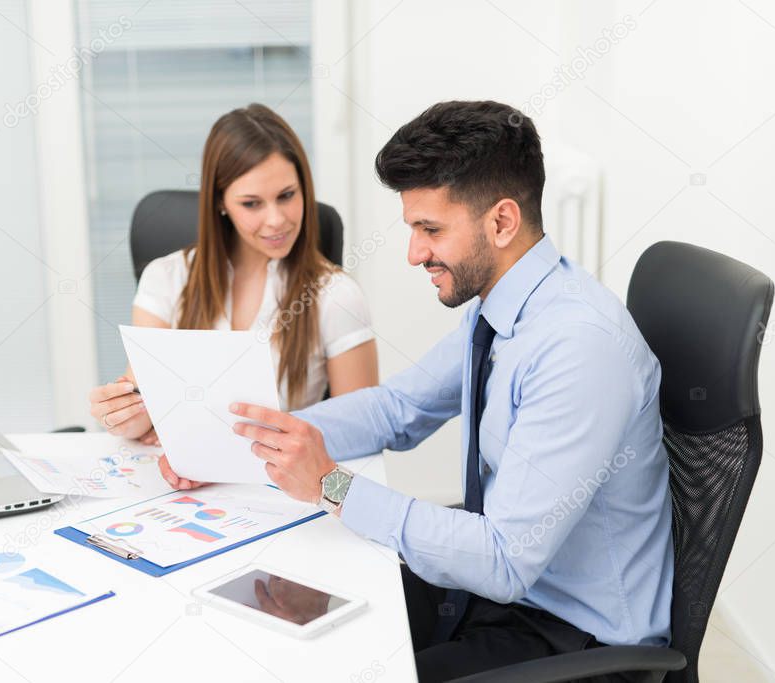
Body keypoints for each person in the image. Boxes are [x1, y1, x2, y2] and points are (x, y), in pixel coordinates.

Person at [210, 101, 674, 681]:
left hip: (572, 637)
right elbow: (400, 408)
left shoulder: (578, 347)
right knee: (300, 624)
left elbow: (505, 559)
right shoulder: (503, 309)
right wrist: (262, 436)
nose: (414, 253)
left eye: (430, 229)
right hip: (501, 594)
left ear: (501, 222)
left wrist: (331, 483)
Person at [89, 103, 379, 455]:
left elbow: (362, 431)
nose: (276, 220)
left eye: (287, 196)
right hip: (191, 486)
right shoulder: (165, 279)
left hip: (283, 487)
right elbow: (144, 415)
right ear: (221, 203)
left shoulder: (336, 296)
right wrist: (123, 416)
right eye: (252, 204)